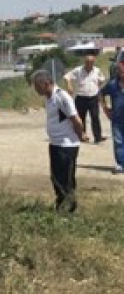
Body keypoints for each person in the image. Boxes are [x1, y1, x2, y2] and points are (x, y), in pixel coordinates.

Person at [32, 70, 84, 212]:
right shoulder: (49, 98)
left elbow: (76, 120)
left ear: (46, 83)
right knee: (56, 177)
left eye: (38, 86)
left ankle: (69, 207)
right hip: (55, 143)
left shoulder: (62, 97)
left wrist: (80, 136)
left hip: (67, 145)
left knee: (66, 178)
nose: (36, 90)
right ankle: (61, 203)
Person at [64, 54, 106, 143]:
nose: (89, 64)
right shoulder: (78, 70)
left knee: (95, 117)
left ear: (93, 62)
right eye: (87, 62)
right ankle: (82, 135)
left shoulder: (97, 70)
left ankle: (98, 137)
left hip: (93, 97)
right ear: (85, 62)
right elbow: (67, 76)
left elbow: (102, 79)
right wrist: (69, 85)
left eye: (91, 62)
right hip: (81, 97)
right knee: (81, 118)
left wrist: (98, 86)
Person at [99, 60, 124, 174]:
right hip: (117, 119)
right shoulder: (112, 84)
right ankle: (120, 164)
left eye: (122, 70)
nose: (120, 72)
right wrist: (105, 109)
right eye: (119, 70)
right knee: (118, 141)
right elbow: (100, 94)